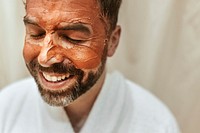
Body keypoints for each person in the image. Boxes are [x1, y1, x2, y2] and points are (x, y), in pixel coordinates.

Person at [0, 0, 180, 133]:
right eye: (36, 33)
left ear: (112, 42)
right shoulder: (6, 108)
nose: (45, 58)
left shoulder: (156, 124)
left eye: (73, 38)